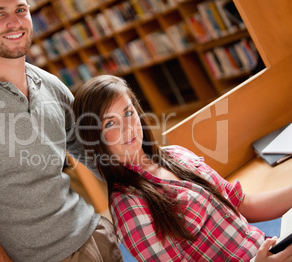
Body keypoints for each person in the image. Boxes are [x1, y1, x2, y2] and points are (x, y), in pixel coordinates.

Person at [0, 1, 123, 261]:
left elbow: (90, 150)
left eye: (21, 10)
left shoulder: (51, 85)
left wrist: (153, 181)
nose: (14, 21)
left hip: (97, 235)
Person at [72, 75, 292, 262]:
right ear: (95, 137)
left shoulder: (176, 154)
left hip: (271, 249)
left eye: (128, 113)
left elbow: (241, 204)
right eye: (110, 123)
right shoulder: (129, 207)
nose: (127, 127)